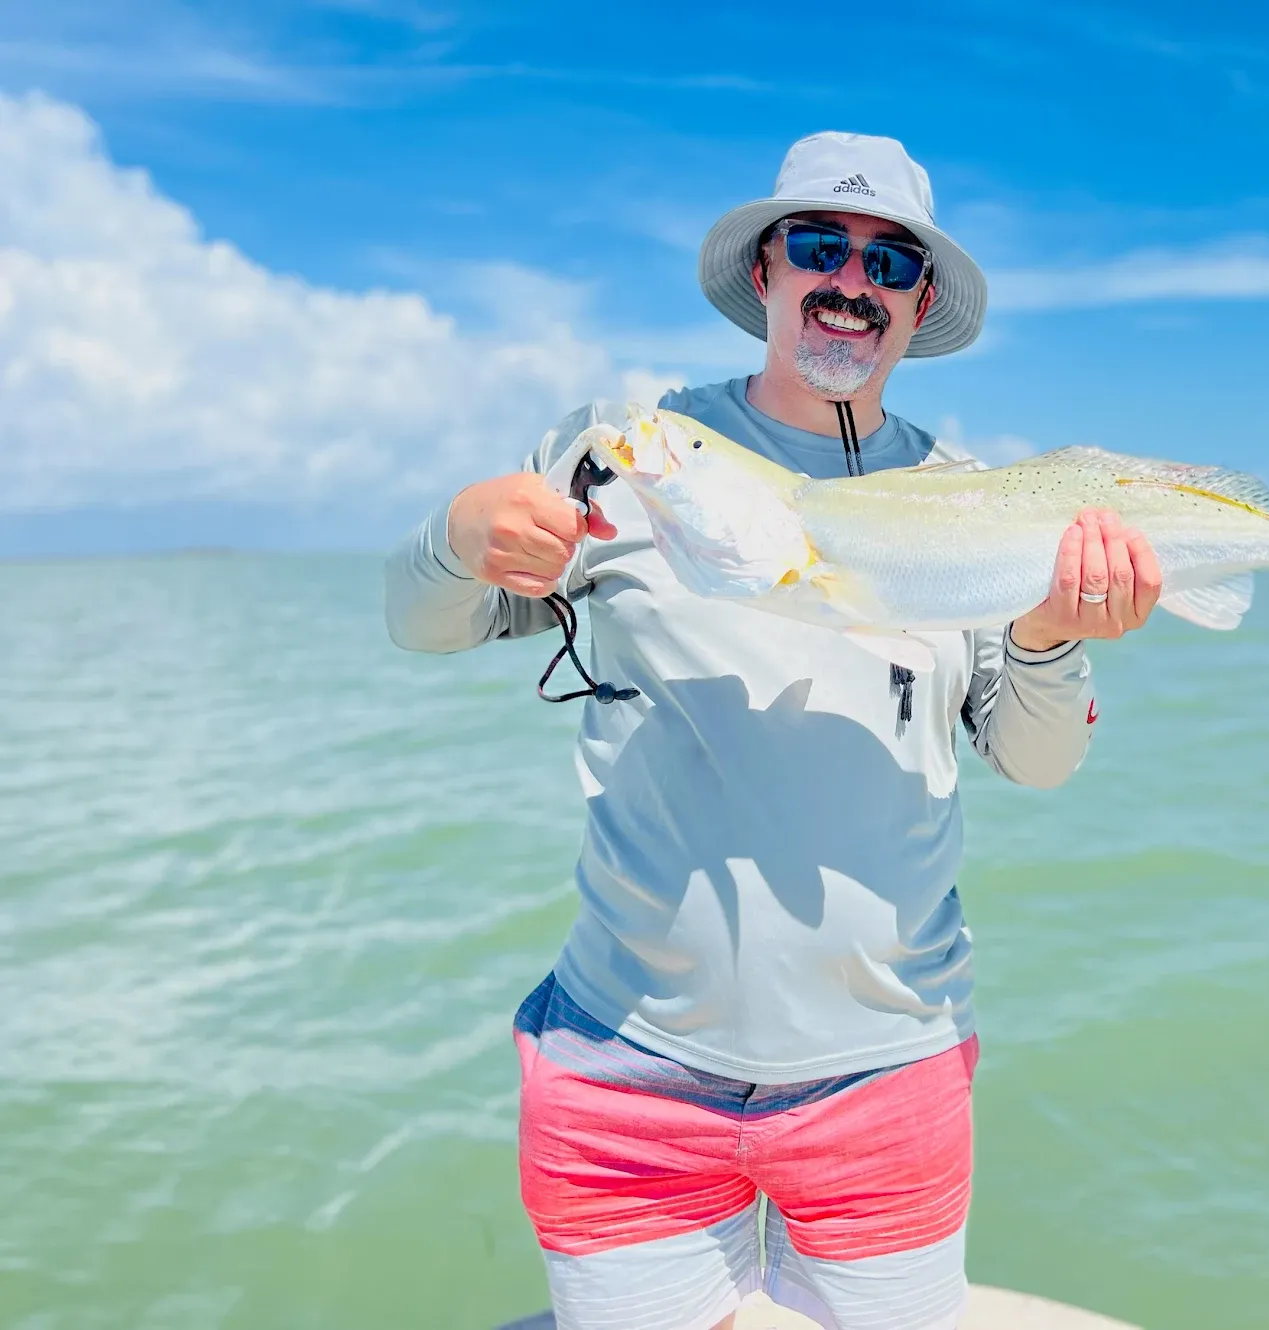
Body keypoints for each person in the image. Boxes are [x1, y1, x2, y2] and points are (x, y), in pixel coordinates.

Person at [385, 131, 1162, 1330]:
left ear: (917, 304)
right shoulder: (630, 454)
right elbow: (422, 620)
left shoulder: (979, 502)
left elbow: (1039, 760)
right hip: (624, 1078)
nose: (850, 280)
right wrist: (457, 528)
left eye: (889, 262)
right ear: (766, 273)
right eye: (817, 245)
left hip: (888, 1076)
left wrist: (1056, 634)